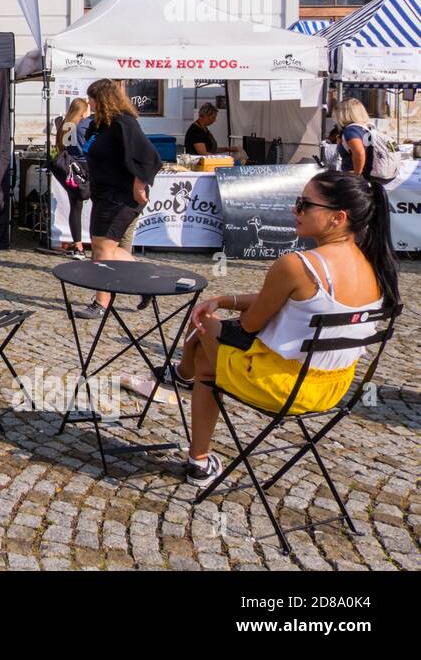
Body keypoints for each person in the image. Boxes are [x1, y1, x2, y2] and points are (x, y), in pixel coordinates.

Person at [158, 171, 396, 487]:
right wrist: (225, 298)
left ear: (337, 218)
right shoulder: (376, 265)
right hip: (334, 390)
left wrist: (215, 311)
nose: (293, 210)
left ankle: (195, 441)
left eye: (304, 205)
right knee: (207, 335)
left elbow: (250, 325)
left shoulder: (297, 265)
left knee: (203, 333)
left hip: (283, 387)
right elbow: (290, 302)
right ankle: (182, 381)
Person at [73, 79, 162, 319]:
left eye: (92, 98)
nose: (89, 102)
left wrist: (139, 183)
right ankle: (145, 279)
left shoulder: (124, 123)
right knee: (103, 247)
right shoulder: (99, 125)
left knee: (102, 248)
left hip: (120, 196)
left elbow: (148, 157)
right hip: (103, 194)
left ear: (103, 99)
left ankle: (102, 303)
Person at [50, 97, 91, 259]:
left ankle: (78, 247)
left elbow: (62, 147)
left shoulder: (66, 125)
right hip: (88, 166)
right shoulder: (87, 125)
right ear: (84, 110)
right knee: (97, 206)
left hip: (71, 168)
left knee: (75, 207)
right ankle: (98, 243)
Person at [333, 98, 376, 177]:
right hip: (368, 175)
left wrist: (356, 175)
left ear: (344, 114)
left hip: (353, 178)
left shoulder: (351, 130)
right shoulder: (366, 128)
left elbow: (359, 153)